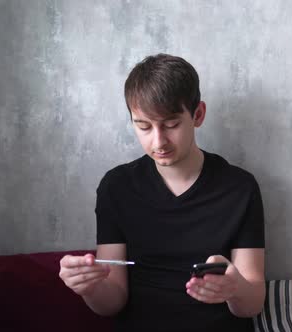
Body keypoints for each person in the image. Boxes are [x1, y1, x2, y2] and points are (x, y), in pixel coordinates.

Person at [58, 54, 266, 331]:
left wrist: (234, 288)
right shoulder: (116, 187)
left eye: (171, 124)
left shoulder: (240, 187)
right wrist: (89, 286)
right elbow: (112, 302)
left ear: (198, 114)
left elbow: (252, 304)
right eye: (143, 126)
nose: (158, 141)